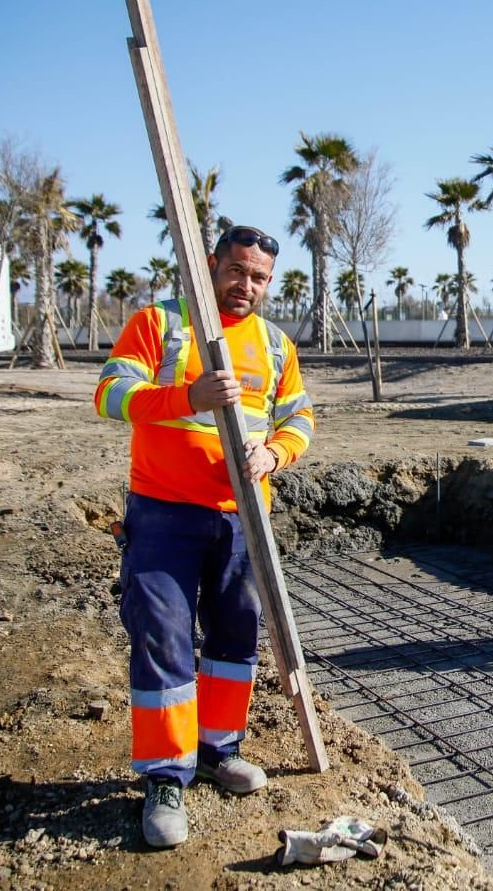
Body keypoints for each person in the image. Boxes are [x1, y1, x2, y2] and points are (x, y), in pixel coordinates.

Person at [94, 226, 314, 847]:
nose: (247, 286)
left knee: (233, 636)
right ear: (211, 265)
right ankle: (166, 775)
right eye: (237, 271)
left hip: (242, 514)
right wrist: (184, 395)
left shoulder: (274, 345)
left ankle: (218, 748)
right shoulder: (162, 324)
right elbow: (109, 395)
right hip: (164, 510)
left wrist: (274, 453)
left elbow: (299, 415)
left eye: (259, 277)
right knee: (163, 633)